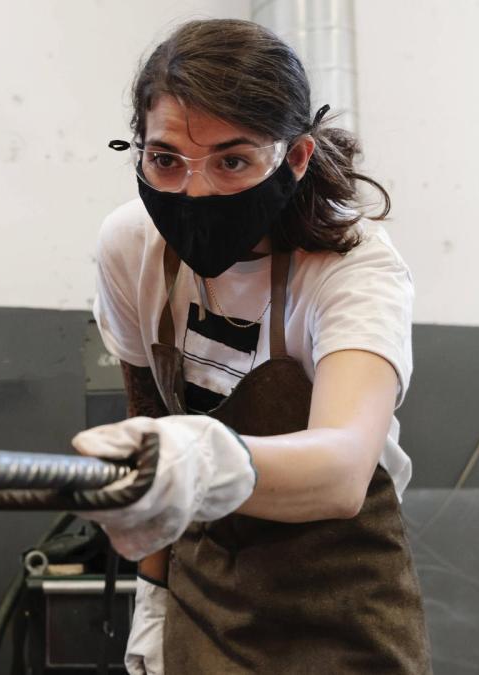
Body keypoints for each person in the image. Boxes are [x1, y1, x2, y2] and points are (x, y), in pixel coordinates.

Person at [71, 19, 432, 674]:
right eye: (165, 160)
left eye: (233, 161)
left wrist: (204, 459)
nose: (195, 189)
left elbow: (343, 468)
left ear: (293, 158)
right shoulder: (130, 247)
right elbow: (147, 412)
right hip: (201, 587)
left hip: (341, 598)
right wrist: (151, 595)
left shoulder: (353, 266)